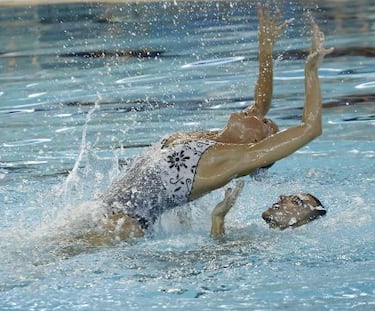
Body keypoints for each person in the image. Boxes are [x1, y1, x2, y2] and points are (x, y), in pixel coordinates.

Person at [99, 3, 333, 239]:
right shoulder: (212, 139)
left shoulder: (228, 160)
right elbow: (261, 101)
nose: (256, 113)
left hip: (120, 227)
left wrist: (311, 72)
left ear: (254, 141)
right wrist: (265, 49)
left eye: (263, 123)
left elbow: (310, 128)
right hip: (100, 211)